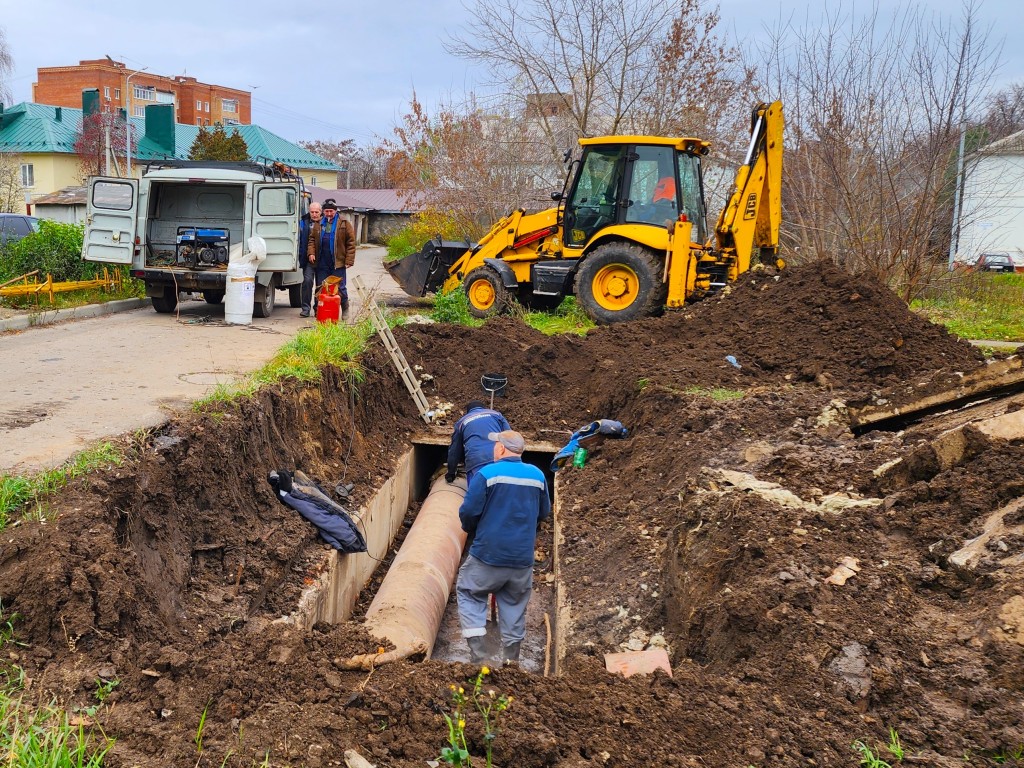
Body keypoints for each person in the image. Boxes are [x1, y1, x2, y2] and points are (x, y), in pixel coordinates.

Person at [456, 430, 550, 665]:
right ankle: (511, 660)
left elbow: (468, 512)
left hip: (487, 555)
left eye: (495, 444)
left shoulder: (487, 474)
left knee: (469, 591)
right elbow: (544, 512)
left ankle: (479, 655)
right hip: (521, 559)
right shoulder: (537, 476)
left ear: (500, 448)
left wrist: (471, 529)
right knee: (514, 603)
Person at [307, 198, 357, 320]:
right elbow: (312, 240)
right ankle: (319, 310)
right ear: (323, 211)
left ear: (335, 211)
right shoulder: (319, 224)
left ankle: (344, 308)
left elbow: (351, 242)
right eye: (327, 211)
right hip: (322, 261)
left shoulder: (344, 223)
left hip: (337, 262)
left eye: (331, 211)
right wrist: (311, 253)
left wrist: (349, 260)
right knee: (320, 286)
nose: (329, 214)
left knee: (340, 287)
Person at [446, 400, 511, 486]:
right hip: (499, 458)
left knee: (476, 496)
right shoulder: (497, 415)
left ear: (468, 412)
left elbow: (454, 451)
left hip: (476, 462)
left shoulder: (462, 422)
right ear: (483, 408)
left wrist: (451, 472)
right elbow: (510, 437)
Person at [298, 201, 322, 317]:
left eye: (316, 212)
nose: (314, 214)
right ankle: (305, 308)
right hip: (308, 259)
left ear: (320, 212)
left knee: (320, 284)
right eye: (312, 212)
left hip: (322, 259)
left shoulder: (326, 223)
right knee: (307, 282)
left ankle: (318, 308)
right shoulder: (303, 222)